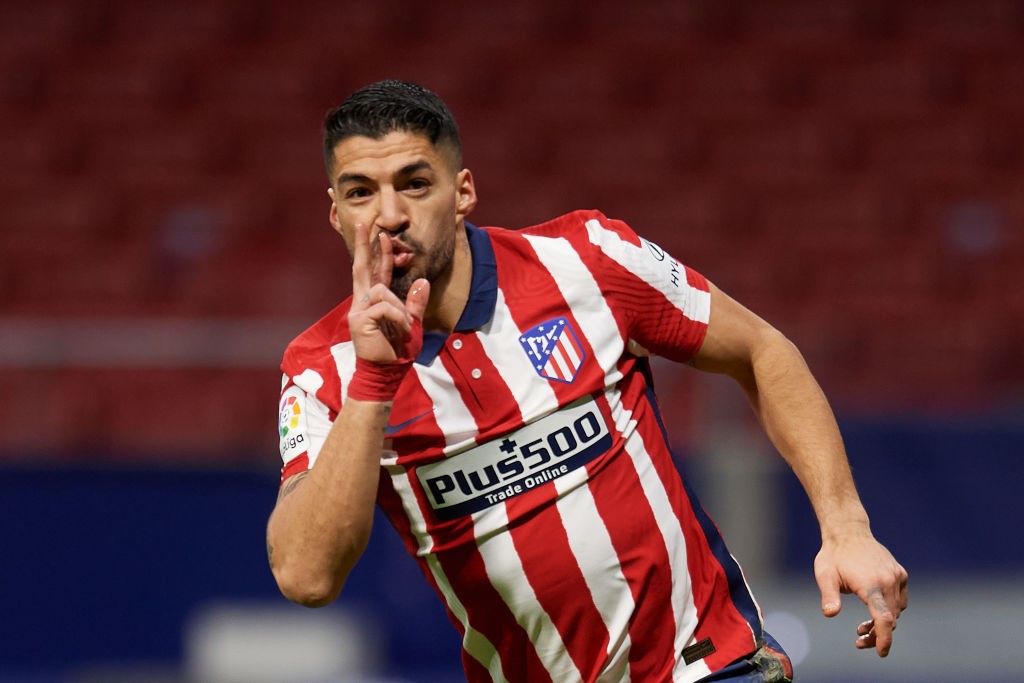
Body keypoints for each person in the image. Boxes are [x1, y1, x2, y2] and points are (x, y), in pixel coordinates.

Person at [265, 79, 907, 682]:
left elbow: (762, 350)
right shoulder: (323, 370)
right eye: (360, 193)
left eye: (414, 183)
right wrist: (375, 381)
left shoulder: (586, 260)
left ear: (462, 192)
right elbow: (305, 577)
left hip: (707, 665)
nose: (389, 214)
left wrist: (845, 525)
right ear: (335, 213)